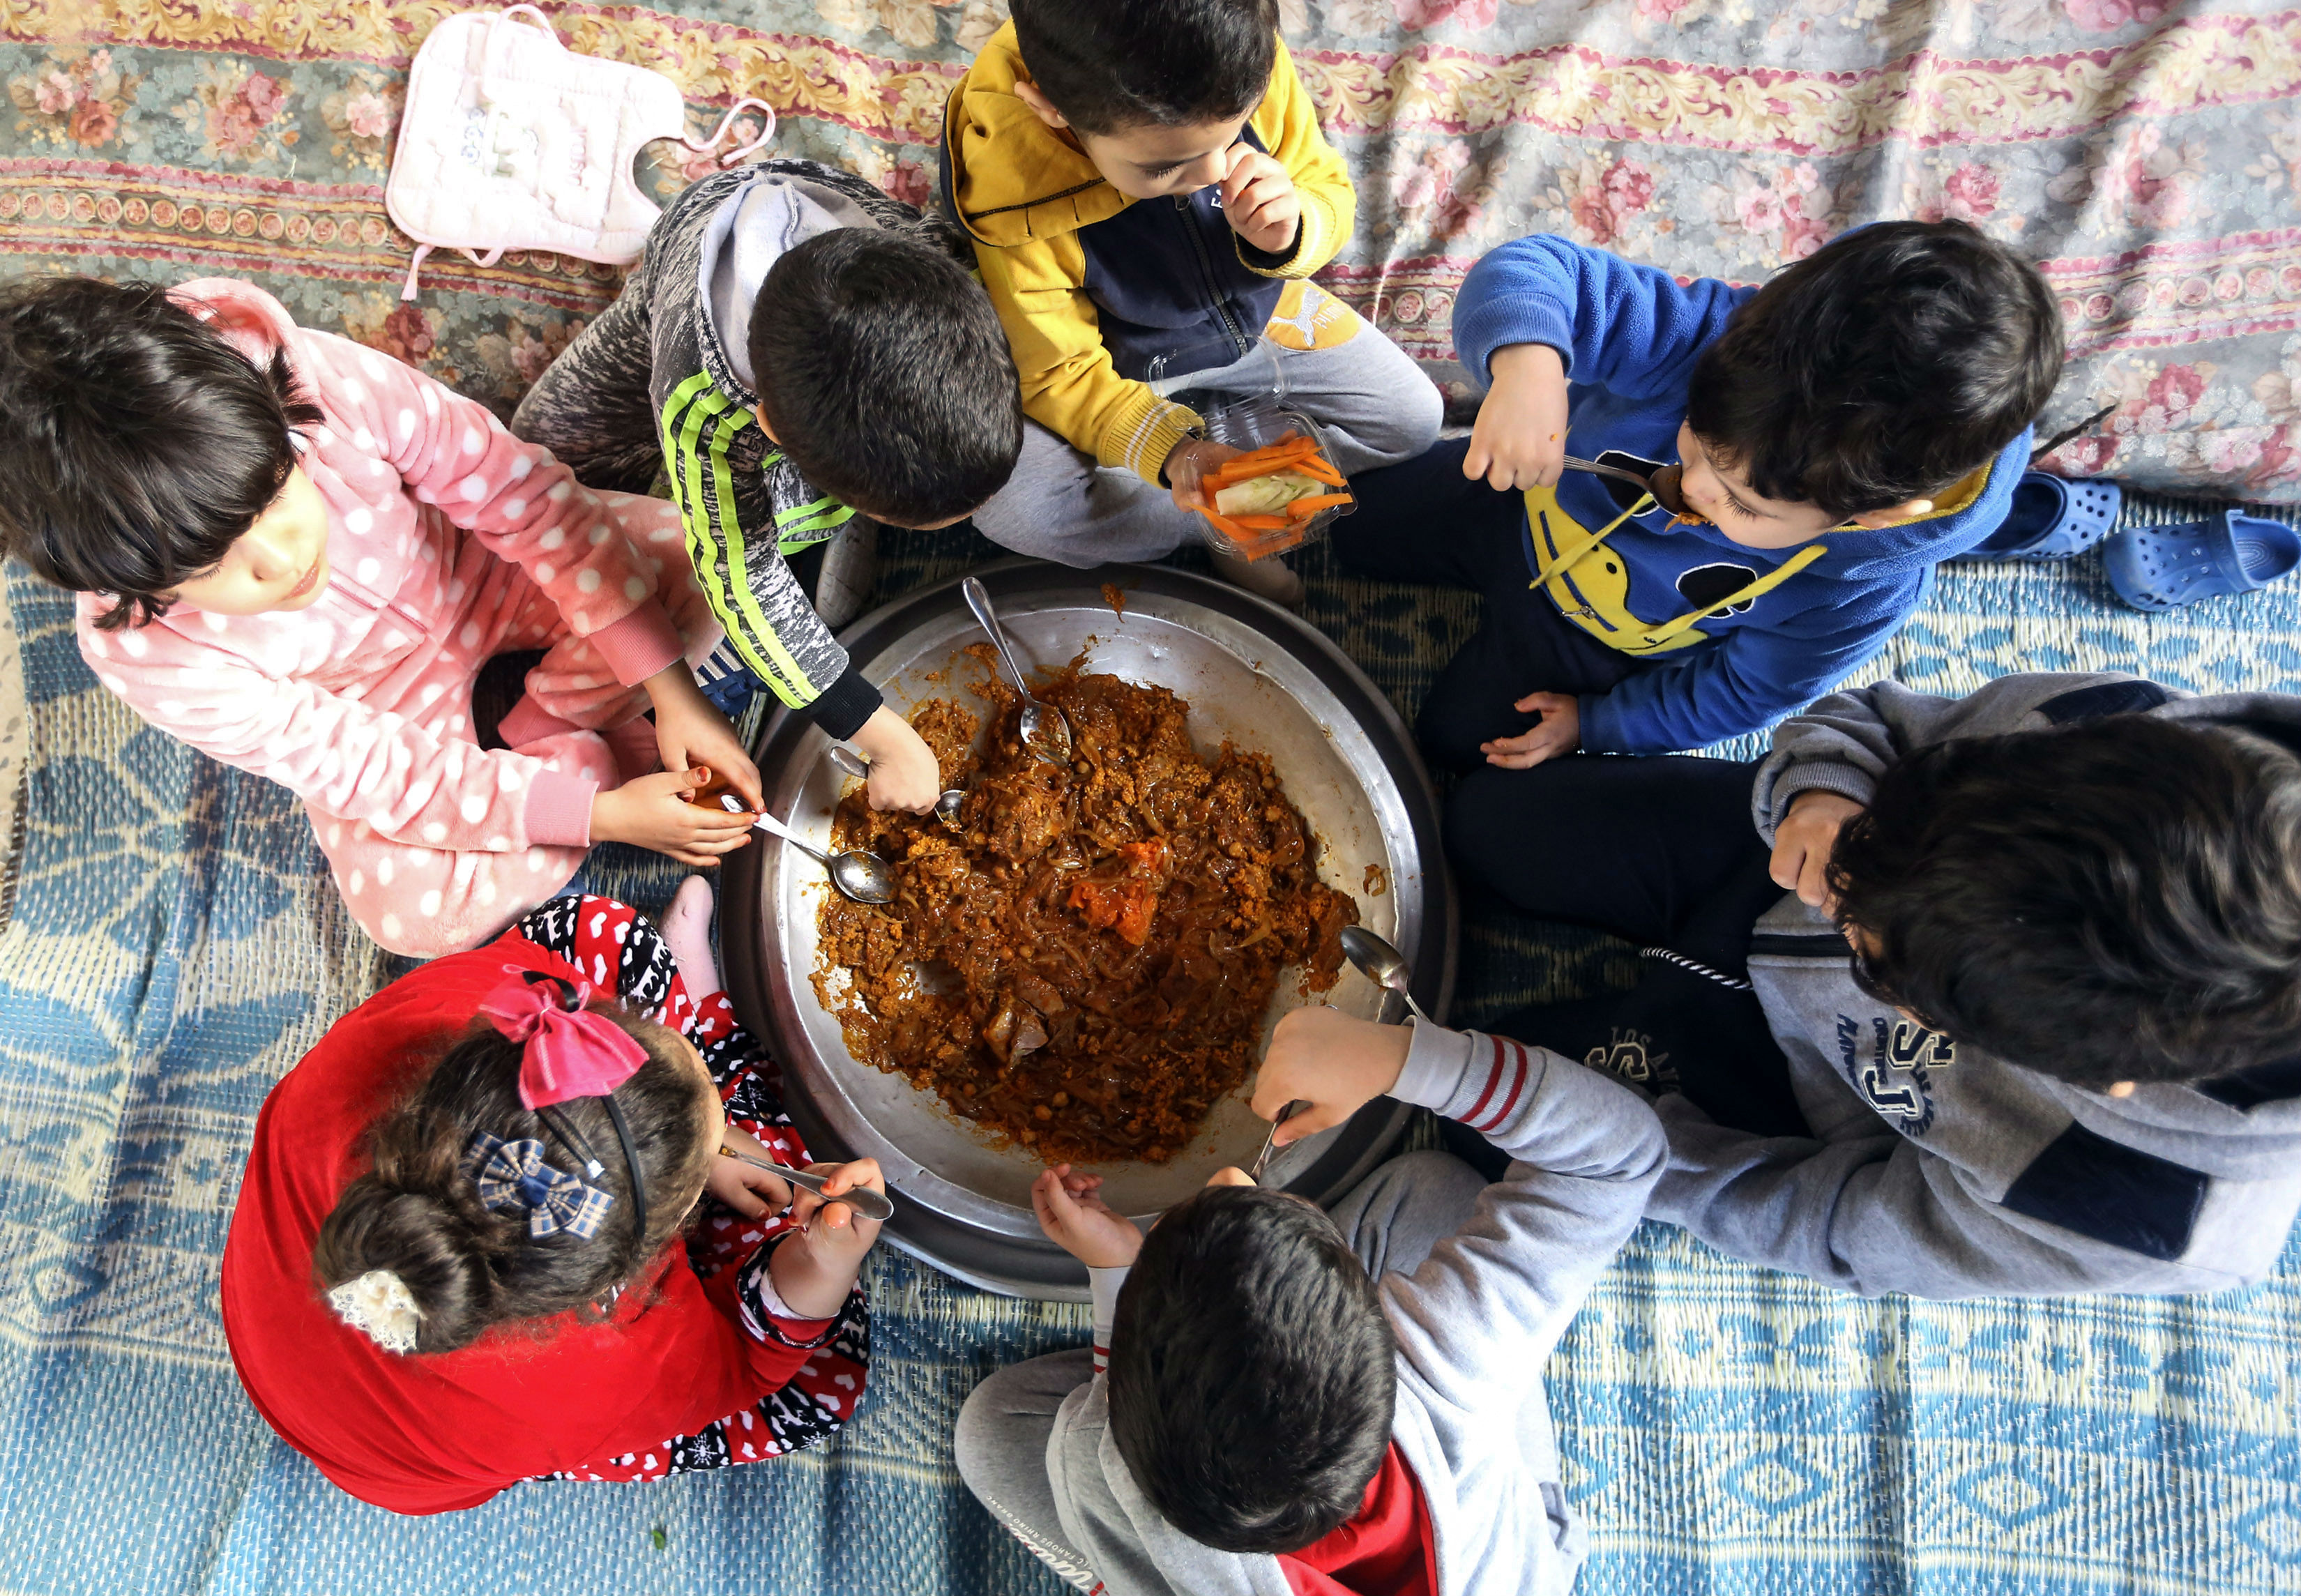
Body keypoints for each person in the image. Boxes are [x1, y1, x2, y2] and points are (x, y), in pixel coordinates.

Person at [1441, 671, 2301, 1298]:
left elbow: (1838, 1224)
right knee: (1482, 822)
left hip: (1795, 1085)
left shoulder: (2144, 1217)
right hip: (1773, 859)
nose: (1837, 920)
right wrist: (1825, 793)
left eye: (1879, 963)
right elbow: (1872, 720)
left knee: (1477, 1118)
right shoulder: (2126, 751)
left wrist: (1634, 1155)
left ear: (2101, 1078)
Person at [0, 275, 756, 959]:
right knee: (419, 919)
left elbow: (519, 493)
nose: (282, 560)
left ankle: (545, 723)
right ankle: (571, 757)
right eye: (208, 567)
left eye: (274, 492)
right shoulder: (147, 656)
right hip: (368, 698)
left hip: (479, 567)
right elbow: (363, 768)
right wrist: (595, 816)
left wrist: (673, 694)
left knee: (702, 567)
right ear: (128, 585)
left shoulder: (318, 379)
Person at [955, 1003, 1666, 1594]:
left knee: (991, 1433)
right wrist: (1402, 1060)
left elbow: (1108, 1416)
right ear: (1379, 1326)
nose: (1229, 1174)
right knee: (1433, 1189)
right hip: (1503, 1556)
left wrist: (1115, 1274)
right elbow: (1622, 1156)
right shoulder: (1450, 1356)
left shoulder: (1105, 1471)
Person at [220, 882, 888, 1513]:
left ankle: (708, 1067)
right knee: (825, 1373)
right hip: (433, 1448)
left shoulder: (440, 1008)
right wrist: (826, 1263)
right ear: (630, 1267)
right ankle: (723, 1053)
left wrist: (697, 1150)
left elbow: (535, 975)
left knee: (601, 939)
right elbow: (748, 1365)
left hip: (294, 1362)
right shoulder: (603, 1377)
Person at [1333, 220, 2065, 770]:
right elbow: (1535, 270)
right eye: (1696, 443)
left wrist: (1600, 725)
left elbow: (1739, 695)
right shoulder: (1715, 340)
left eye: (1743, 506)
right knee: (1342, 523)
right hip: (1514, 501)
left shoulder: (1856, 594)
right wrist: (1530, 368)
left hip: (1593, 642)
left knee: (1448, 746)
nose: (1689, 488)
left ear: (1870, 517)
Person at [513, 160, 1024, 816]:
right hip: (677, 304)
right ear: (771, 429)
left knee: (800, 516)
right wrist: (881, 734)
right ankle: (839, 513)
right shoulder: (703, 401)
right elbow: (739, 573)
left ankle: (848, 512)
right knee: (541, 448)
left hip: (807, 313)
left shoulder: (933, 266)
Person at [941, 0, 1443, 605]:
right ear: (1051, 109)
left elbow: (1325, 186)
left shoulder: (1236, 60)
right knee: (1016, 513)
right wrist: (1172, 451)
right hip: (1123, 363)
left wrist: (1295, 228)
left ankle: (1233, 504)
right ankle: (1221, 517)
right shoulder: (1010, 194)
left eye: (1234, 134)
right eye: (1165, 167)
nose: (1212, 173)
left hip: (1265, 316)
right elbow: (1058, 375)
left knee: (1414, 419)